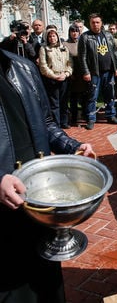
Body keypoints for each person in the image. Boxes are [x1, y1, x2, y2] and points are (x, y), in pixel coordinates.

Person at [0, 47, 95, 303]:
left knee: (46, 282)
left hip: (38, 200)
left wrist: (71, 146)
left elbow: (47, 122)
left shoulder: (23, 68)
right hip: (3, 210)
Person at [78, 13, 117, 130]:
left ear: (101, 23)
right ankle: (91, 119)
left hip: (108, 72)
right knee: (92, 96)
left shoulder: (108, 35)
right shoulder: (85, 37)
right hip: (94, 73)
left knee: (110, 95)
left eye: (97, 22)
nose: (95, 25)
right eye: (93, 22)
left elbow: (115, 52)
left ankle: (110, 115)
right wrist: (86, 72)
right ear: (89, 23)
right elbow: (82, 56)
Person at [39, 27, 73, 129]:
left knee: (64, 102)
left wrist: (66, 74)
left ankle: (64, 122)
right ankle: (56, 124)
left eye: (54, 36)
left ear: (57, 36)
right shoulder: (44, 48)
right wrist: (54, 76)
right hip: (52, 79)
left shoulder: (64, 48)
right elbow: (43, 66)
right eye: (49, 36)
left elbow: (70, 63)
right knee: (54, 104)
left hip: (64, 78)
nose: (52, 38)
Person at [63, 24, 89, 126]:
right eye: (72, 31)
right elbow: (65, 60)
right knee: (73, 98)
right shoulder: (65, 44)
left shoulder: (82, 42)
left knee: (85, 97)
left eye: (76, 31)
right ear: (69, 32)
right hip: (72, 74)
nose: (75, 33)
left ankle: (86, 116)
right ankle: (73, 118)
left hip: (83, 73)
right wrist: (69, 73)